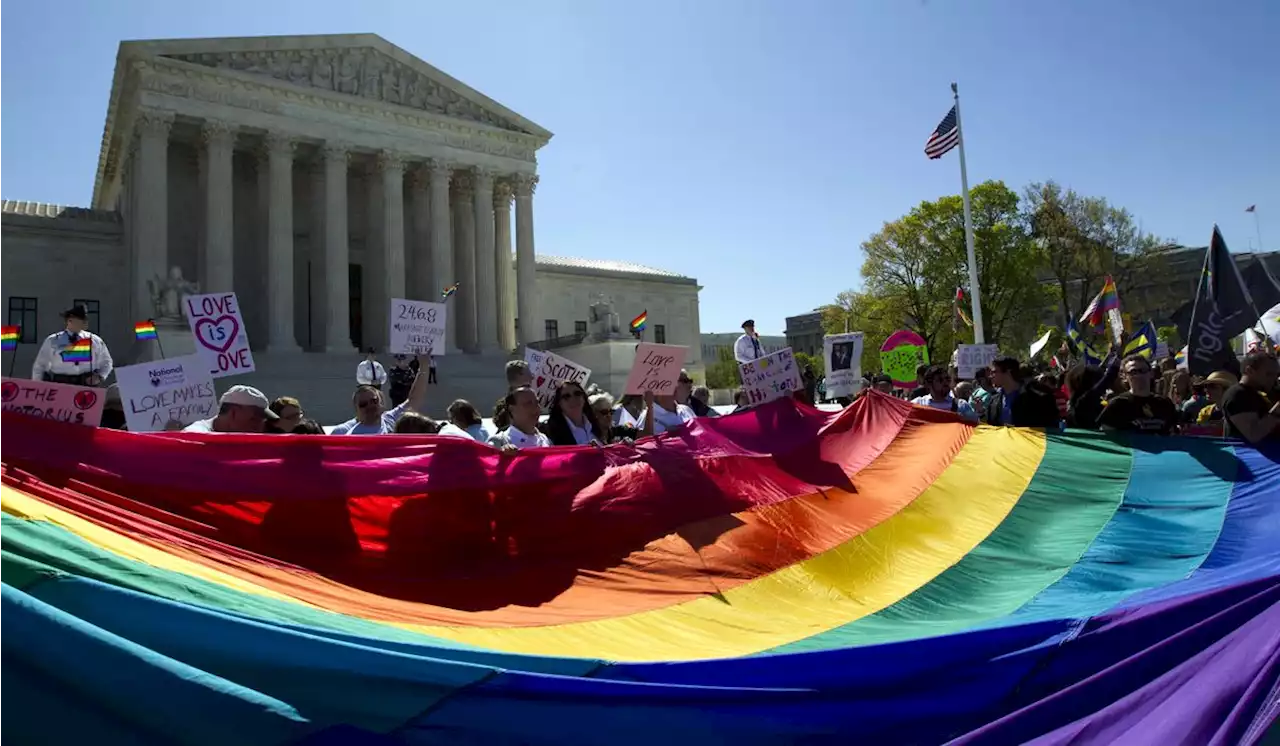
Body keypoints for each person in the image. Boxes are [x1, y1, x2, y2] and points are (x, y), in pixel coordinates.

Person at [330, 352, 431, 435]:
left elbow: (414, 400)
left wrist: (424, 367)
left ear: (381, 403)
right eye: (363, 404)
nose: (370, 406)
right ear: (356, 410)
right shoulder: (342, 432)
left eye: (374, 401)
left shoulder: (390, 420)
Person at [32, 304, 114, 386]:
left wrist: (99, 377)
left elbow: (107, 362)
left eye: (85, 319)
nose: (85, 322)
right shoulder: (53, 340)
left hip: (86, 385)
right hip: (61, 384)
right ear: (69, 320)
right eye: (81, 319)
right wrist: (38, 387)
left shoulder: (94, 340)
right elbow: (40, 366)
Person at [1097, 355, 1179, 435]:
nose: (1139, 376)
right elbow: (1107, 438)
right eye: (1133, 372)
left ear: (1151, 373)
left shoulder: (1165, 403)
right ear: (1125, 377)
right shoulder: (1117, 404)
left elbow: (1174, 433)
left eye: (1143, 371)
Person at [983, 357, 1061, 428]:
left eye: (994, 372)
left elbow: (1051, 427)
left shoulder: (1038, 398)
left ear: (1008, 372)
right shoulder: (993, 402)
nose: (990, 376)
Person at [1221, 352, 1280, 443]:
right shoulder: (1238, 395)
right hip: (1246, 455)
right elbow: (1253, 434)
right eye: (1269, 374)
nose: (1274, 379)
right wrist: (1277, 411)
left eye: (1276, 375)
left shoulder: (1255, 394)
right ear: (1249, 371)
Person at [183, 385, 279, 433]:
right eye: (254, 419)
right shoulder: (195, 437)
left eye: (262, 421)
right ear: (233, 413)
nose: (259, 427)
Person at [543, 380, 605, 446]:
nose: (573, 398)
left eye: (577, 393)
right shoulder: (551, 432)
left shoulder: (596, 425)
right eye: (566, 396)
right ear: (559, 403)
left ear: (584, 398)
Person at [910, 365, 978, 421]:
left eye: (947, 379)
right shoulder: (918, 404)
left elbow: (975, 429)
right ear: (929, 384)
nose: (945, 383)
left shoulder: (961, 406)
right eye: (940, 380)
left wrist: (979, 412)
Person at [493, 359, 535, 430]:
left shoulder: (502, 405)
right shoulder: (505, 406)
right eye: (529, 373)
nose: (532, 376)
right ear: (520, 375)